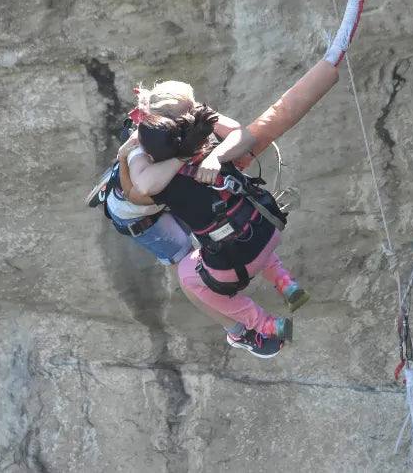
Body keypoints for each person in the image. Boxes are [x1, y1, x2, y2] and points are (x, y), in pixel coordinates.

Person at [94, 81, 286, 358]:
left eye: (194, 106)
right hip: (140, 215)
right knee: (194, 279)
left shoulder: (188, 113)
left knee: (218, 231)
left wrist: (214, 156)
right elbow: (142, 191)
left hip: (164, 196)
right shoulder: (141, 142)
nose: (196, 112)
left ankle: (274, 290)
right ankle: (238, 331)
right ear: (171, 121)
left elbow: (242, 135)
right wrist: (184, 156)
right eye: (189, 110)